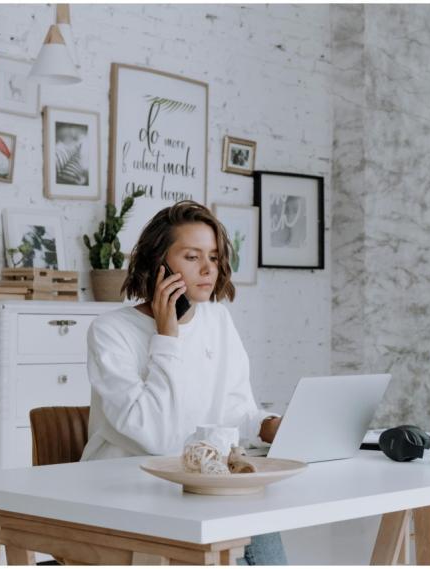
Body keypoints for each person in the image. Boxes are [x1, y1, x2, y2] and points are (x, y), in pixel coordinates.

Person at [80, 200, 287, 565]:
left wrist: (270, 426)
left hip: (204, 484)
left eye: (214, 256)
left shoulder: (218, 321)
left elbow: (234, 414)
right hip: (129, 491)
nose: (209, 269)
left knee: (261, 518)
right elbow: (156, 438)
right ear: (158, 262)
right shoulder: (111, 332)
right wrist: (167, 336)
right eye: (192, 257)